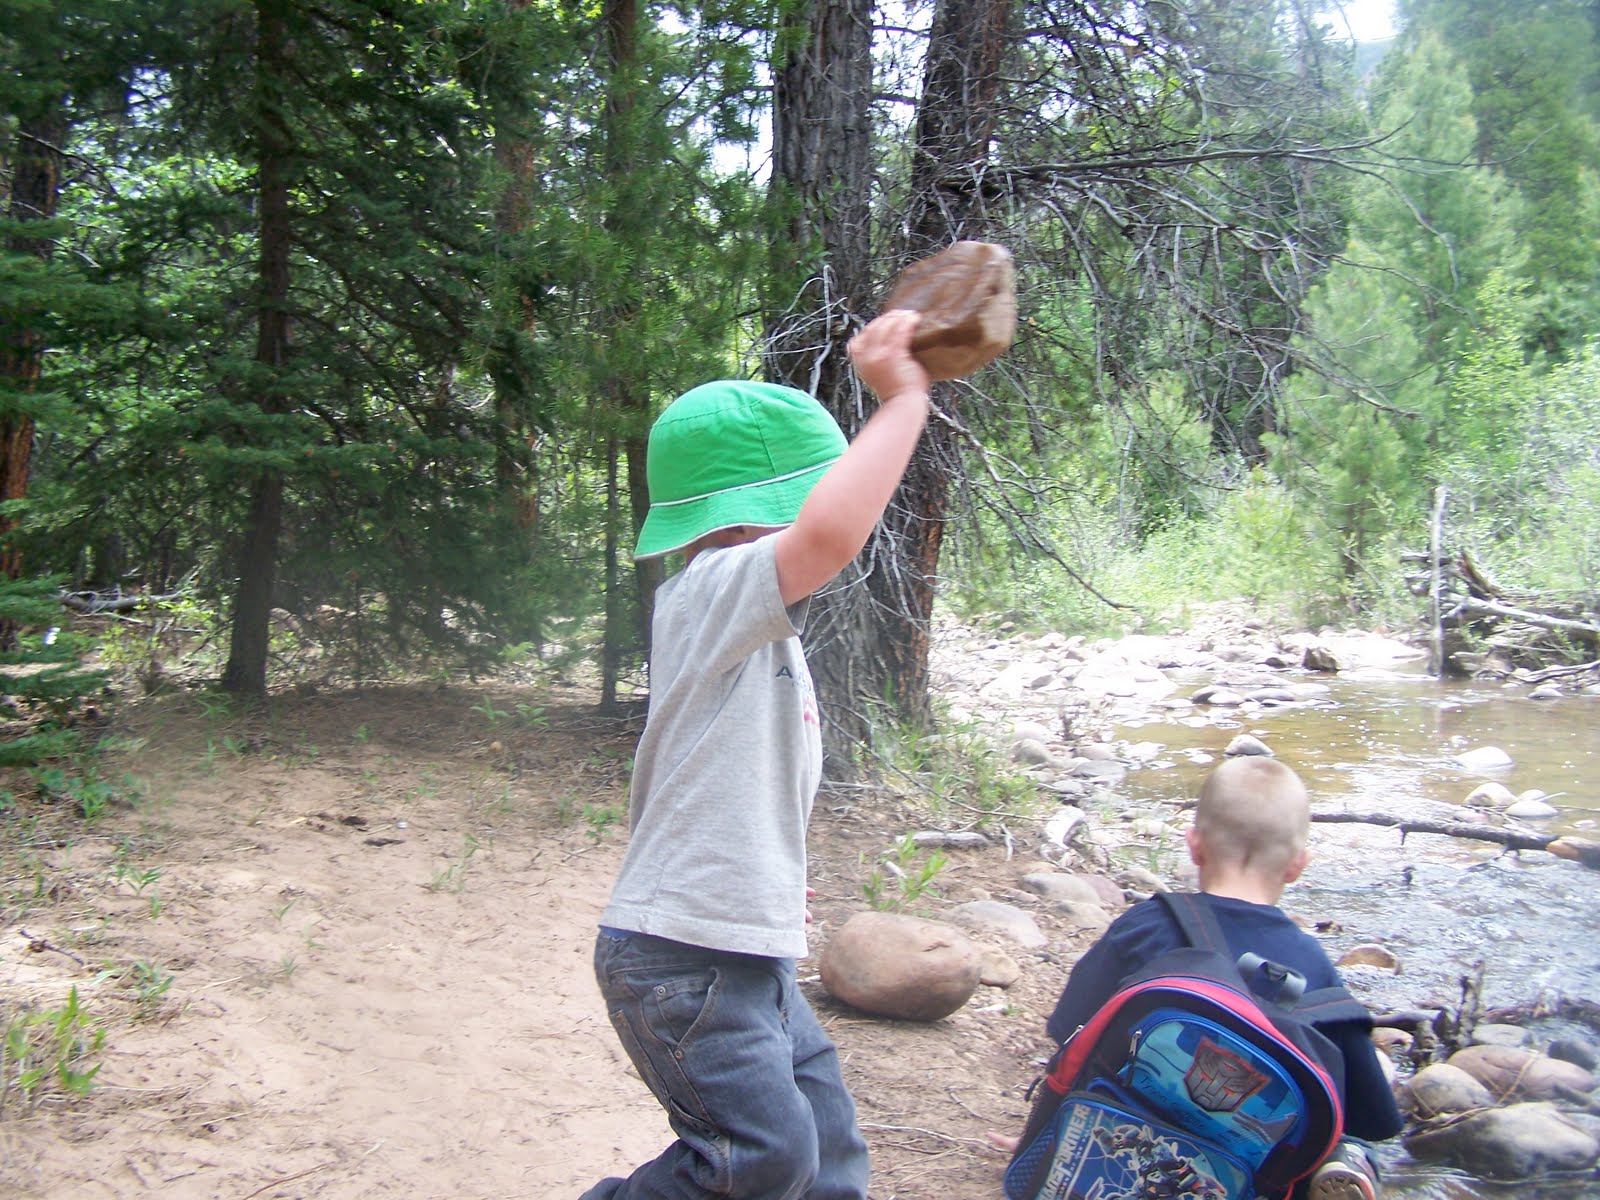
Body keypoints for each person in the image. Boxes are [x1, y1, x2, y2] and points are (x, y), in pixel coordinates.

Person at [579, 309, 932, 1200]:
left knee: (826, 1153)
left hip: (739, 954)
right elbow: (827, 536)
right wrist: (902, 403)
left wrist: (770, 882)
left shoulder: (755, 637)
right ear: (747, 520)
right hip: (679, 959)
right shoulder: (708, 591)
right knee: (757, 1159)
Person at [1005, 756, 1403, 1200]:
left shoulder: (1145, 925)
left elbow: (1070, 1035)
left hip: (1108, 1151)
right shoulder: (1315, 970)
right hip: (1240, 1176)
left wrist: (1034, 1145)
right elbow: (1373, 1117)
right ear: (1298, 865)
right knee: (1350, 1140)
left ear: (1194, 846)